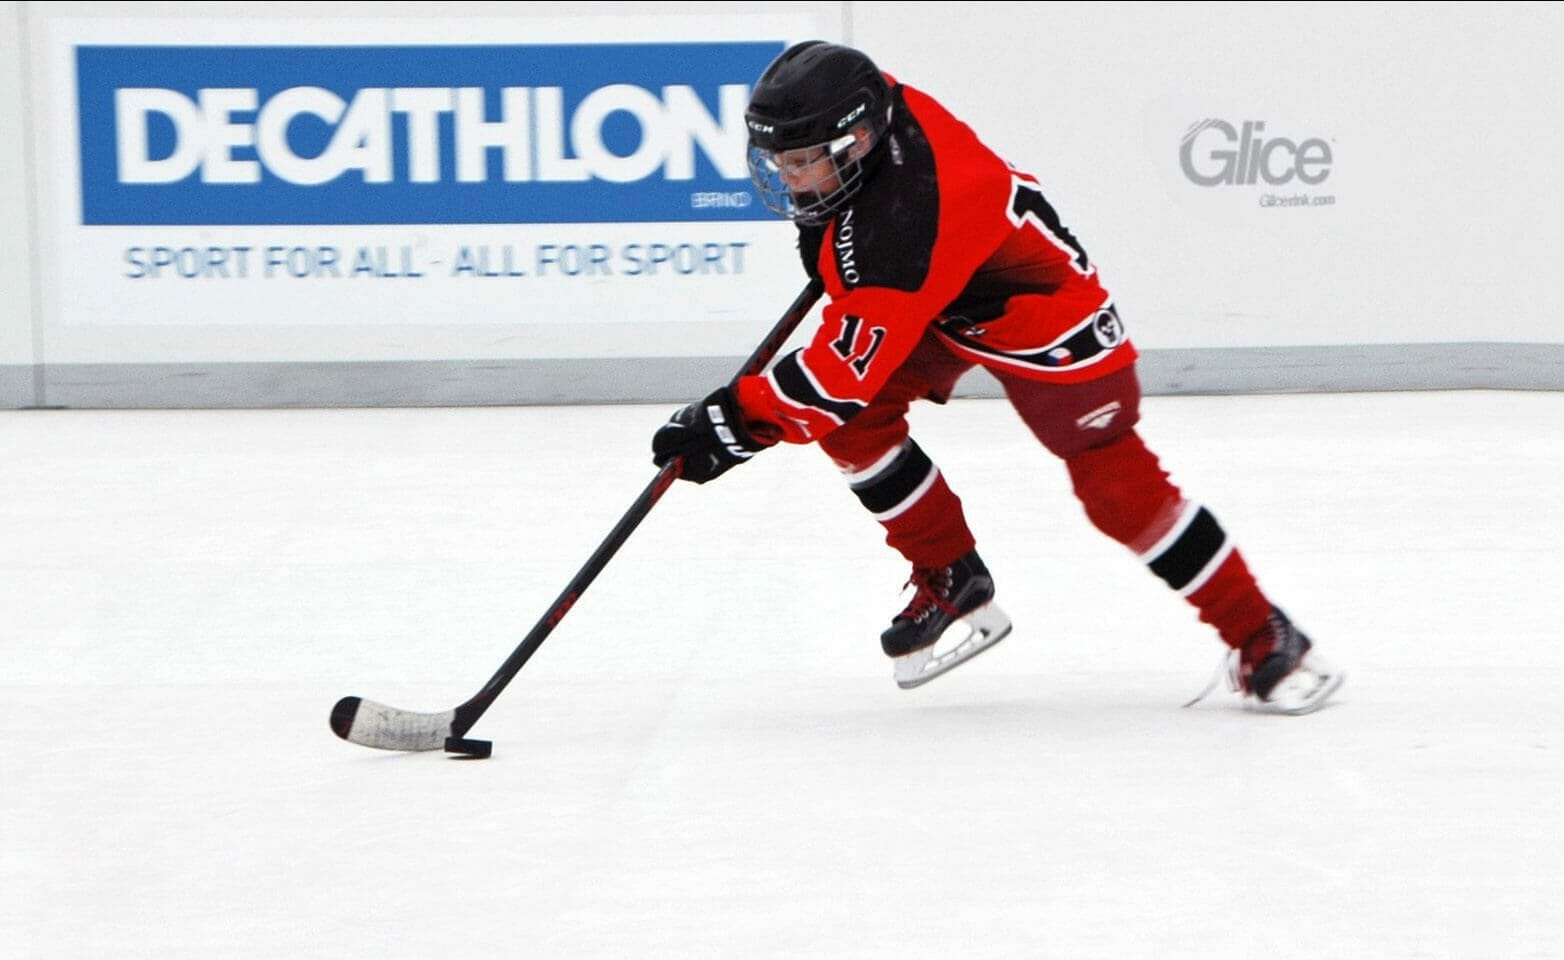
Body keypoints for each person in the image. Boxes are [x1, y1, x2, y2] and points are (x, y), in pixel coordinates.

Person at [651, 40, 1344, 714]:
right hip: (943, 303)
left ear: (859, 141)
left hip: (1045, 320)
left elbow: (836, 377)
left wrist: (732, 424)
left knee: (1116, 488)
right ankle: (952, 575)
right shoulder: (872, 109)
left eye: (804, 163)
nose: (792, 179)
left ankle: (1264, 633)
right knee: (857, 424)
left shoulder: (909, 220)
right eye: (781, 161)